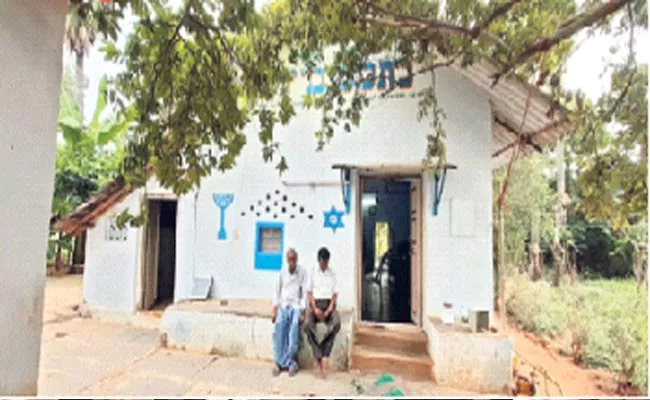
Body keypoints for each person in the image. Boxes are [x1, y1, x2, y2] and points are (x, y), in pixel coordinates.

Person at [304, 247, 341, 378]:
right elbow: (309, 293)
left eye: (326, 261)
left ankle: (324, 353)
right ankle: (318, 354)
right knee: (307, 324)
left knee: (336, 323)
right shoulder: (312, 272)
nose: (324, 264)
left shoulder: (332, 273)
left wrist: (330, 309)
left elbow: (335, 294)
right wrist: (315, 309)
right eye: (322, 261)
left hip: (328, 304)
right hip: (316, 304)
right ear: (318, 260)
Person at [272, 248, 307, 377]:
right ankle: (278, 363)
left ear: (296, 260)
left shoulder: (302, 272)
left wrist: (303, 312)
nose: (292, 262)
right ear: (287, 260)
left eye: (294, 259)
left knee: (293, 334)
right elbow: (276, 292)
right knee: (279, 331)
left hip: (296, 307)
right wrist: (274, 311)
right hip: (283, 306)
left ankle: (292, 363)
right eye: (290, 259)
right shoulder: (282, 273)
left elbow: (303, 294)